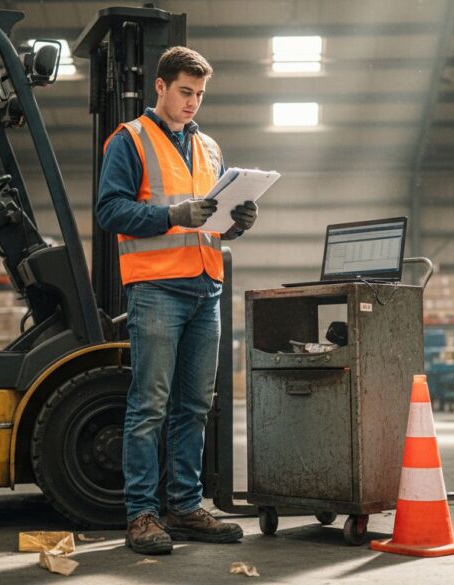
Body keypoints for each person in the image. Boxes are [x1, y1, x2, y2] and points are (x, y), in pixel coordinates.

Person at [95, 46, 258, 555]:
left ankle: (185, 507)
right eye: (185, 91)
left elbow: (214, 220)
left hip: (206, 287)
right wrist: (172, 215)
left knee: (195, 406)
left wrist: (238, 223)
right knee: (150, 405)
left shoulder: (209, 147)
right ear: (160, 86)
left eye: (200, 95)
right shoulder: (130, 140)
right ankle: (142, 514)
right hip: (157, 289)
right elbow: (110, 211)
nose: (192, 102)